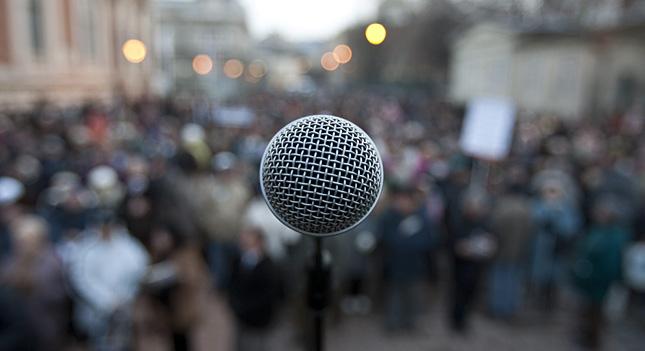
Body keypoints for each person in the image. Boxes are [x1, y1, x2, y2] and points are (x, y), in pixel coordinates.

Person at [65, 210, 149, 351]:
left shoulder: (128, 246)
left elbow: (139, 270)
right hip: (96, 311)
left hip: (127, 307)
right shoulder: (85, 248)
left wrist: (125, 298)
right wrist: (107, 300)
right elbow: (81, 279)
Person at [0, 215, 68, 351]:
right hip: (15, 329)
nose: (23, 245)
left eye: (27, 241)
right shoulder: (10, 262)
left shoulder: (52, 262)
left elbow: (59, 295)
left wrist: (29, 287)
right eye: (19, 241)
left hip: (44, 325)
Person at [572, 196, 631, 350]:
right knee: (587, 311)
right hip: (589, 281)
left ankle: (592, 341)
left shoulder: (614, 237)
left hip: (599, 283)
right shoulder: (598, 230)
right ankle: (586, 336)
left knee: (596, 314)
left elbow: (610, 265)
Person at [377, 185, 434, 332]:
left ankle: (410, 323)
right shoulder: (389, 218)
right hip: (395, 265)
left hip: (415, 266)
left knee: (413, 296)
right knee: (394, 296)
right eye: (400, 200)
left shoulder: (421, 218)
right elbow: (388, 240)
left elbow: (428, 240)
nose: (403, 203)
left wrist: (406, 243)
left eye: (406, 200)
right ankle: (392, 324)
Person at [448, 188, 497, 333]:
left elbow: (490, 241)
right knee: (459, 295)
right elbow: (454, 245)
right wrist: (463, 248)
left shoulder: (483, 223)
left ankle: (465, 319)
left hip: (477, 266)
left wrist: (488, 247)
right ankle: (457, 322)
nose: (476, 209)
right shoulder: (459, 222)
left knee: (472, 294)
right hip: (461, 267)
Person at [228, 227, 284, 351]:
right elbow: (232, 284)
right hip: (242, 317)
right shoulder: (237, 260)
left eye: (248, 237)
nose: (243, 240)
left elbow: (270, 294)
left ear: (259, 242)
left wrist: (247, 307)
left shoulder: (269, 266)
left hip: (259, 320)